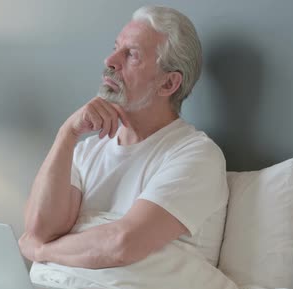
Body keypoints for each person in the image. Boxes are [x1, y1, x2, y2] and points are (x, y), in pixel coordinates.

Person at [18, 5, 229, 269]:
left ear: (168, 84)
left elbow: (122, 244)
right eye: (115, 47)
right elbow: (40, 228)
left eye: (131, 55)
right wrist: (67, 134)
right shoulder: (86, 151)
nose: (110, 61)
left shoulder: (196, 155)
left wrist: (41, 252)